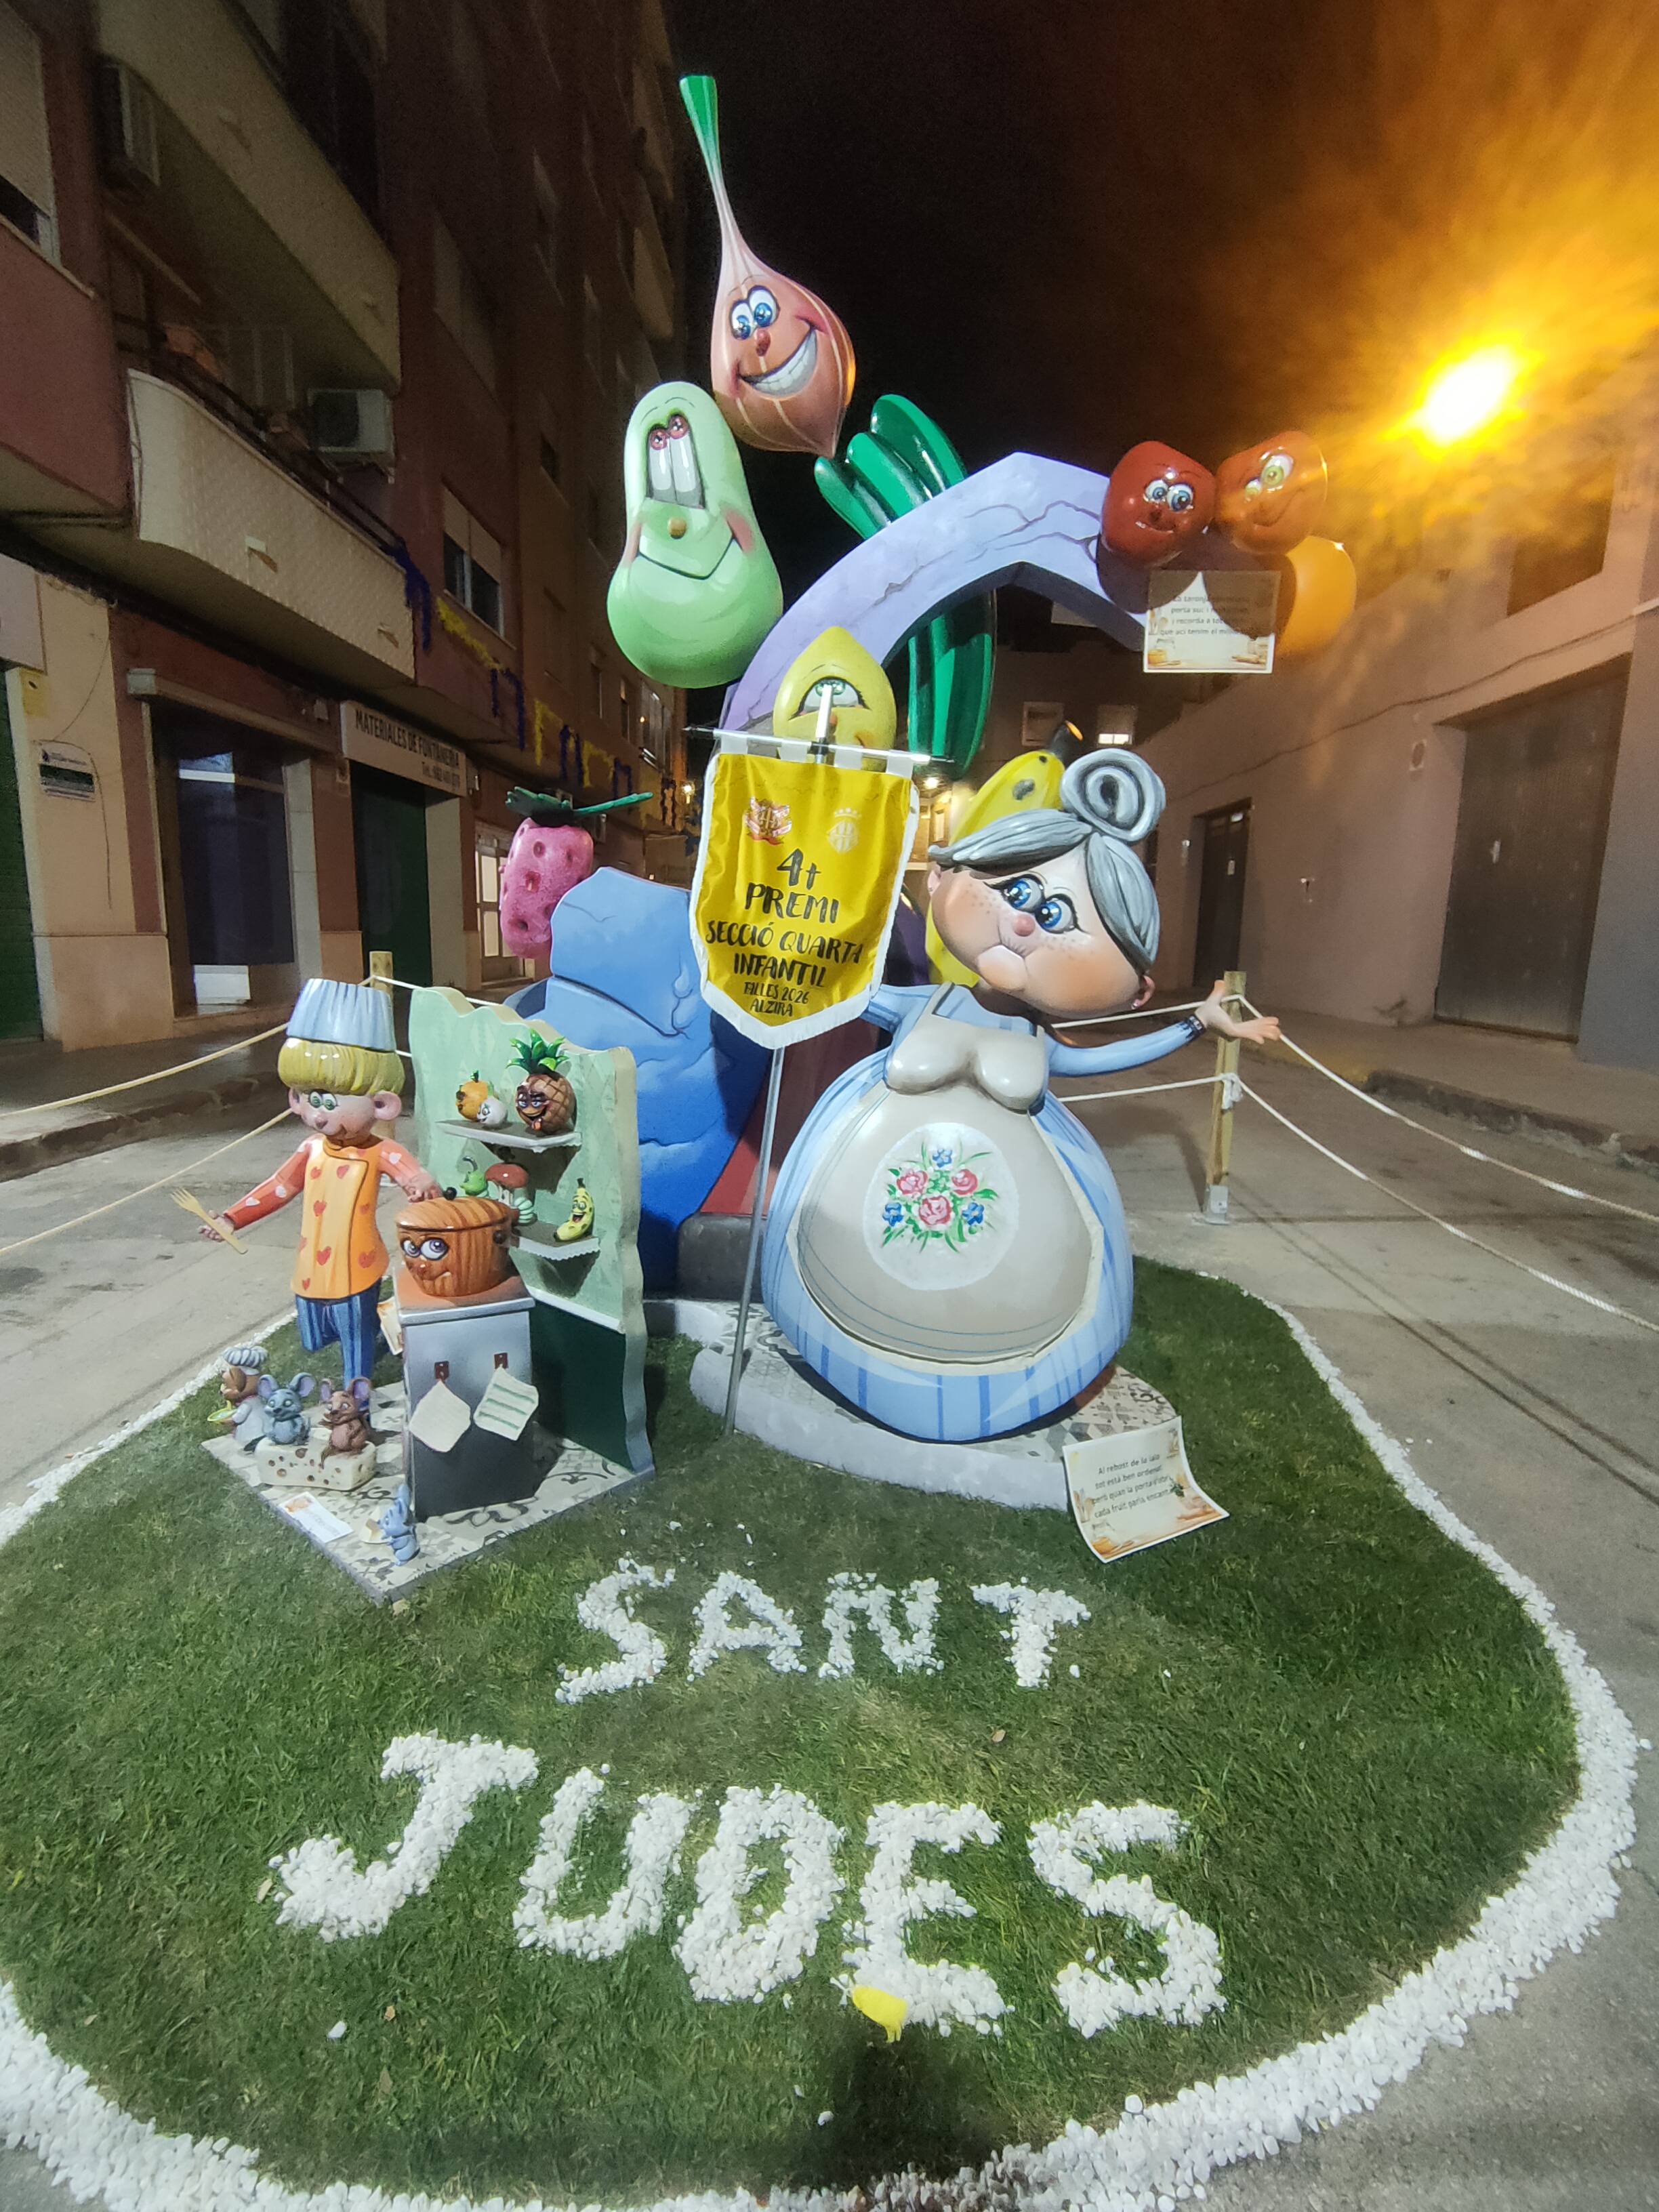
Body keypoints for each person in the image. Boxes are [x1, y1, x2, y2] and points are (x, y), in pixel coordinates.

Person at [760, 752, 1278, 1443]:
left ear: (1138, 987)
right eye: (1016, 890)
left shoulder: (1040, 1039)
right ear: (943, 874)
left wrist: (1196, 1025)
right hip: (863, 1200)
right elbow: (845, 993)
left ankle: (989, 1381)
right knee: (844, 1265)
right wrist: (786, 942)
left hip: (1013, 1247)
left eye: (1058, 914)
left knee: (1021, 1295)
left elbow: (1104, 1059)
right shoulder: (927, 1002)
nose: (1027, 922)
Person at [202, 980, 438, 1382]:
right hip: (311, 1264)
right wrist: (231, 1218)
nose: (318, 1114)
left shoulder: (380, 1151)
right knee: (314, 1337)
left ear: (382, 1105)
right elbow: (279, 1186)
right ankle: (386, 1328)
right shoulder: (312, 1148)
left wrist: (420, 1184)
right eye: (310, 1099)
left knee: (353, 1341)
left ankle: (356, 1398)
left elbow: (413, 1175)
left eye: (329, 1101)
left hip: (358, 1265)